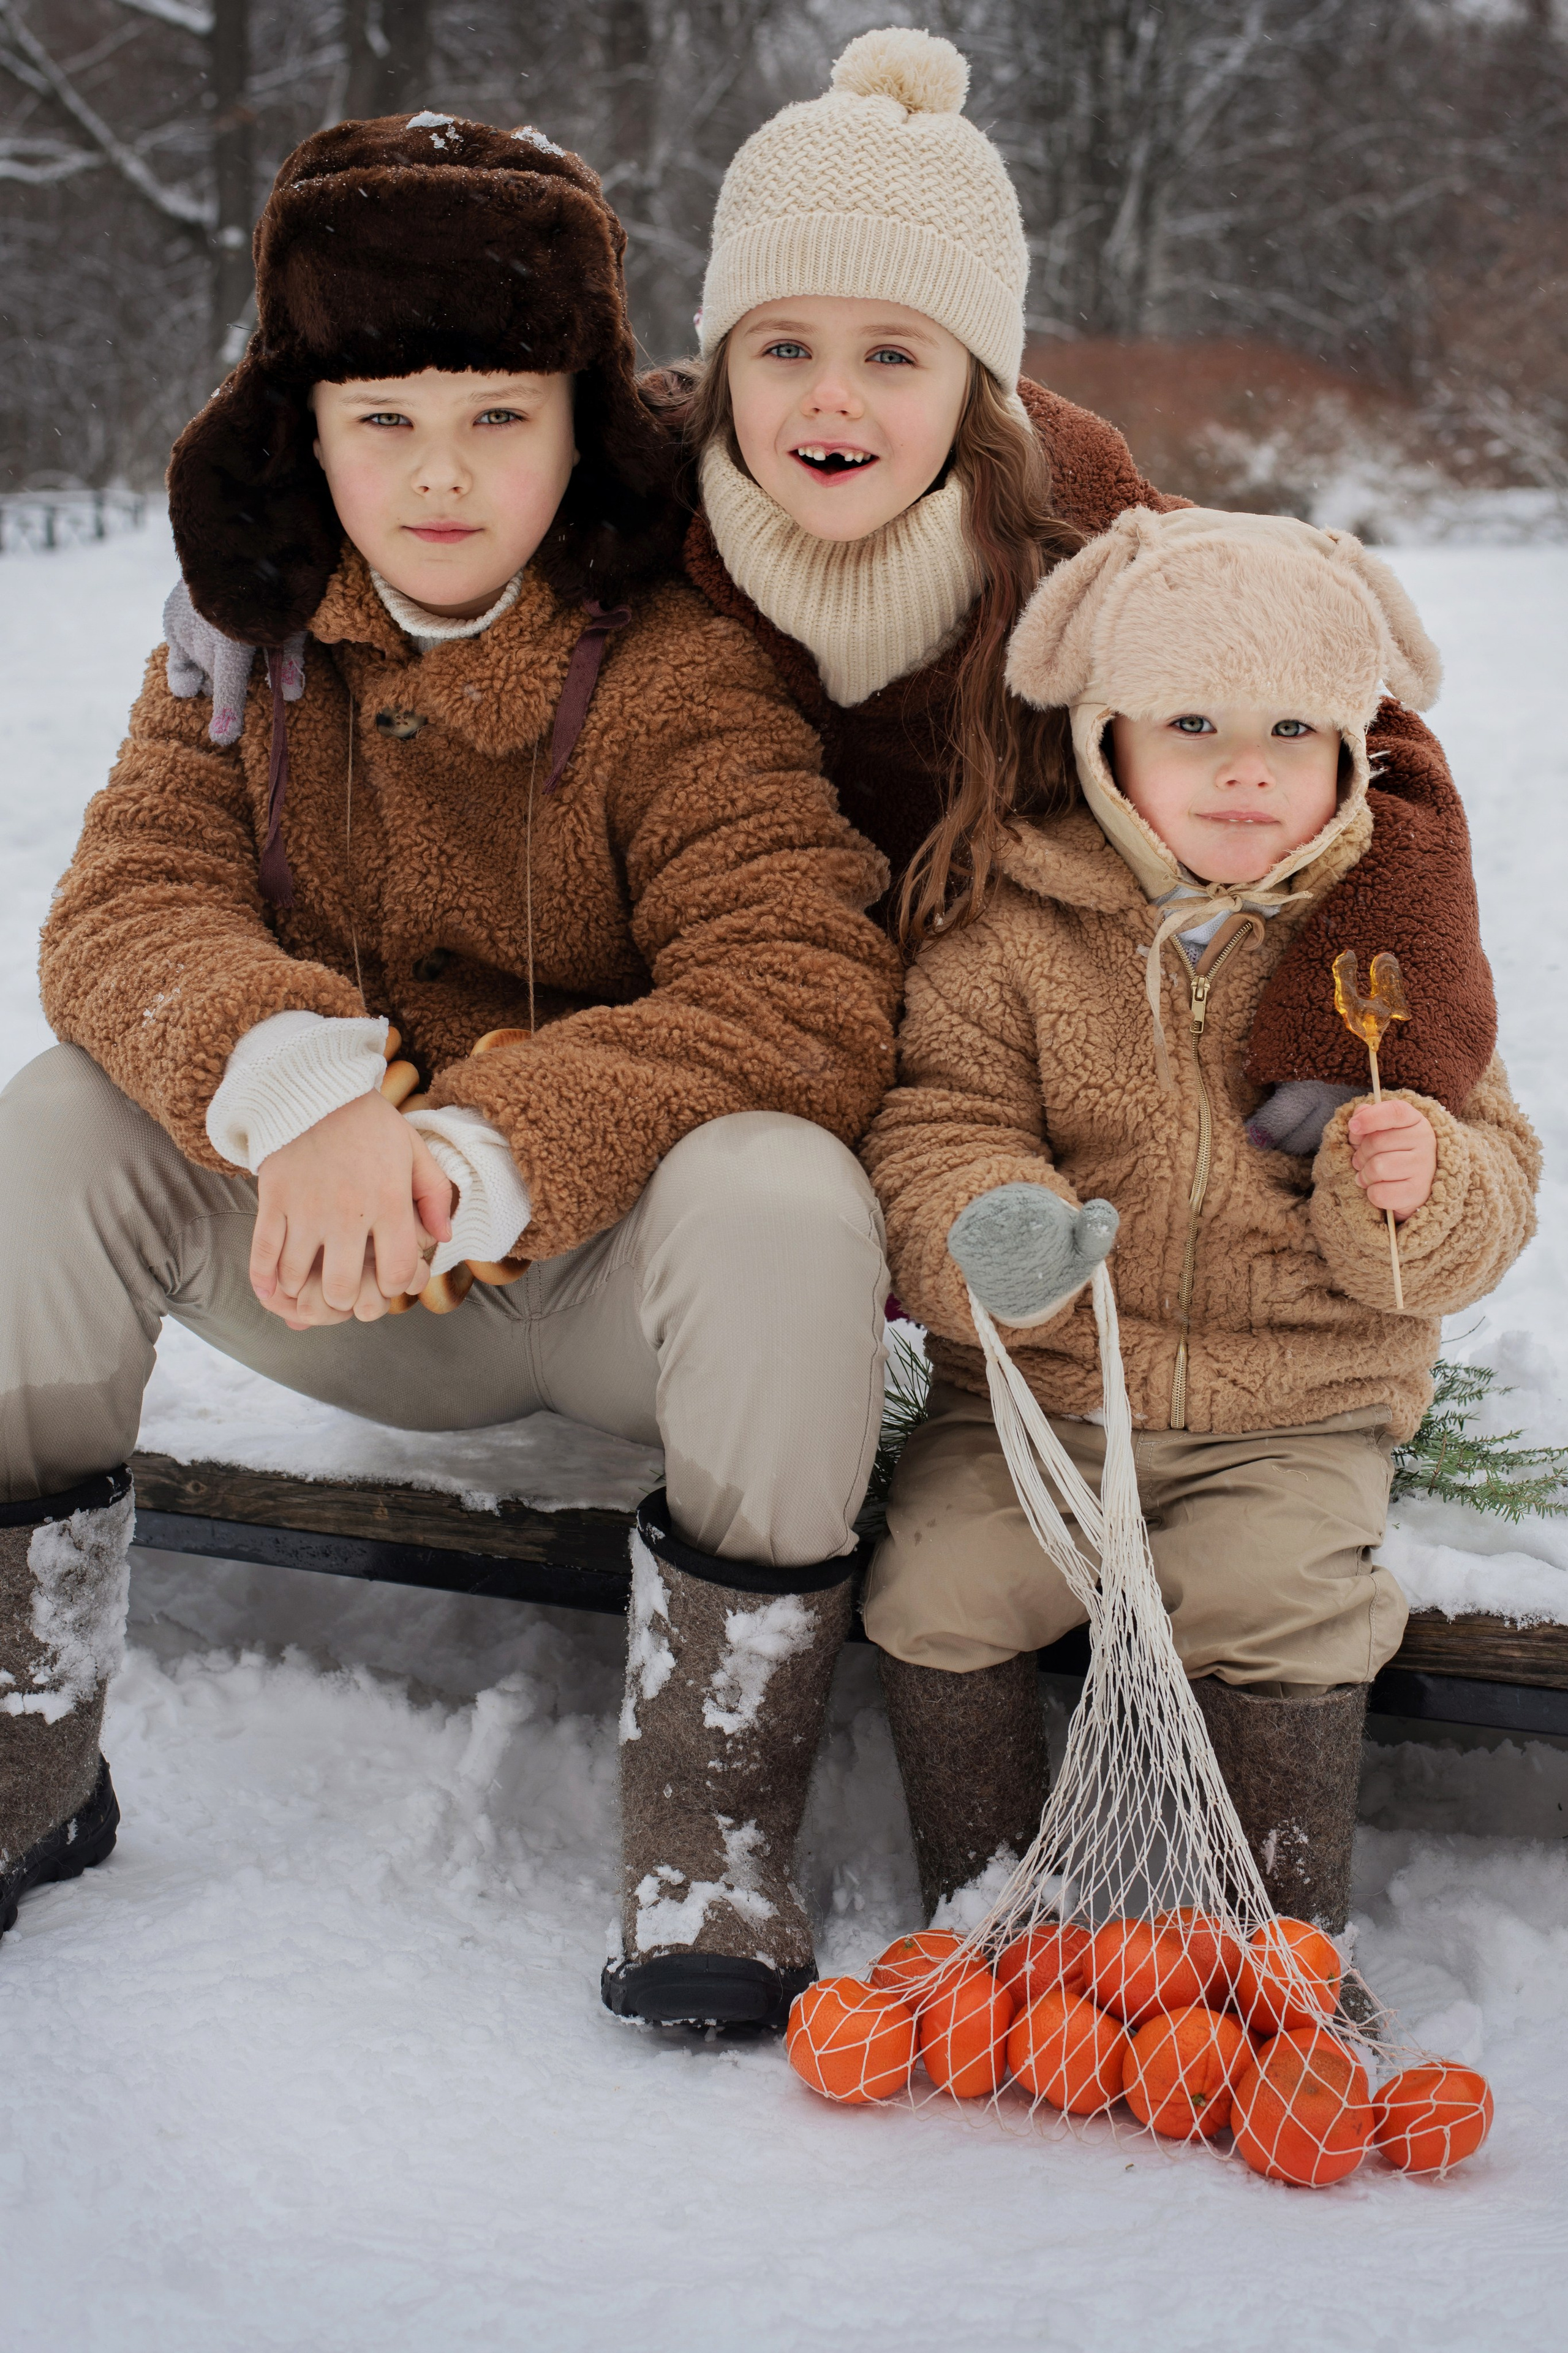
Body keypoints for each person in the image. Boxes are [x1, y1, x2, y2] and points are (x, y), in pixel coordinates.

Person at [0, 113, 903, 2034]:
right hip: (320, 1274)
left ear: (580, 424)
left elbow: (803, 982)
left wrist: (487, 1146)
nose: (437, 473)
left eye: (495, 416)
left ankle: (714, 1830)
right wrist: (302, 1087)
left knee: (782, 1183)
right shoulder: (235, 654)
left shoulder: (674, 667)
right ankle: (19, 1739)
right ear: (302, 431)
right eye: (382, 418)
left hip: (600, 1301)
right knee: (59, 1116)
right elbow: (120, 908)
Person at [860, 506, 1539, 1932]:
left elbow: (1496, 1174)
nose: (1246, 769)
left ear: (1356, 745)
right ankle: (986, 1909)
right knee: (937, 1579)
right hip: (1038, 1406)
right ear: (1106, 739)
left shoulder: (1389, 948)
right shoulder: (1012, 927)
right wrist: (995, 1222)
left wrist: (1416, 1188)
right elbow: (937, 1120)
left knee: (1275, 1602)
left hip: (1291, 1406)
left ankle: (1268, 1932)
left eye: (1294, 729)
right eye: (1192, 723)